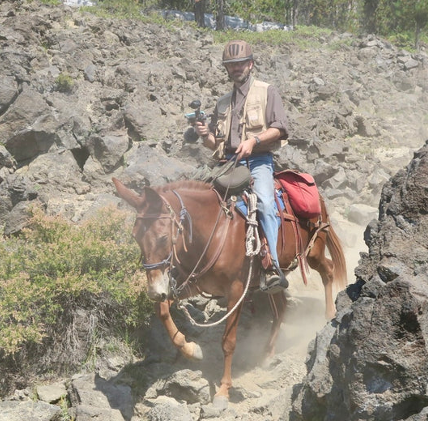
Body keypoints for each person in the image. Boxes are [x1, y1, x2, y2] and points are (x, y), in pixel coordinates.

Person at [194, 39, 289, 291]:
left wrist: (254, 140)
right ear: (226, 69)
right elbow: (216, 144)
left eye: (240, 64)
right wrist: (205, 135)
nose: (236, 68)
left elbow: (280, 128)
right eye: (231, 65)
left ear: (250, 64)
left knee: (266, 203)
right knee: (194, 200)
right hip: (228, 162)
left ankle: (272, 267)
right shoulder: (222, 102)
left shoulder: (267, 91)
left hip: (258, 161)